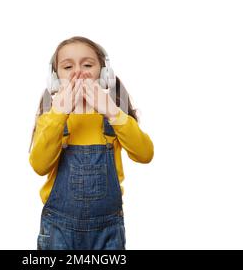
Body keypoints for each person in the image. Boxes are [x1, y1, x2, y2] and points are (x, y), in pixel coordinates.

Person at [28, 36, 154, 250]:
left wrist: (113, 112)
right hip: (58, 231)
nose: (79, 73)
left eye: (88, 65)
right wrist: (59, 113)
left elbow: (145, 154)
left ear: (104, 75)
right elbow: (39, 166)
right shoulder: (50, 119)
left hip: (108, 231)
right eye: (68, 67)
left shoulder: (113, 118)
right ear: (55, 79)